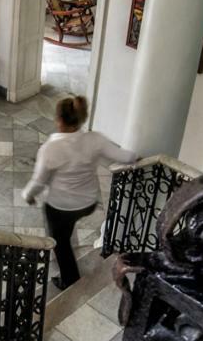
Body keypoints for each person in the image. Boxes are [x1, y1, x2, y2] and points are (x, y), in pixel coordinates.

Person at [22, 96, 137, 290]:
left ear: (58, 120)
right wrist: (136, 158)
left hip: (60, 206)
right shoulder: (95, 139)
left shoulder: (50, 148)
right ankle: (69, 239)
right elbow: (124, 156)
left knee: (61, 243)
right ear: (81, 118)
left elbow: (39, 181)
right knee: (67, 228)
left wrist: (28, 195)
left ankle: (69, 279)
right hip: (88, 203)